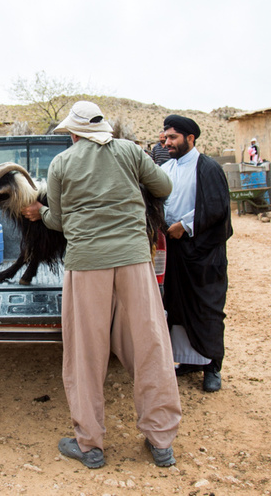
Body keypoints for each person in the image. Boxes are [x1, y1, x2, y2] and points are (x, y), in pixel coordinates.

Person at [22, 101, 181, 469]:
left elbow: (58, 221)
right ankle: (161, 441)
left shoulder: (62, 163)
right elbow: (164, 186)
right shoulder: (130, 151)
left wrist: (39, 212)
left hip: (86, 265)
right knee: (149, 346)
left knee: (86, 353)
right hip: (134, 261)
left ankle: (90, 445)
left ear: (75, 133)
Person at [161, 115, 232, 393]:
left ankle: (212, 366)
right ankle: (189, 361)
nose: (168, 142)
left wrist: (184, 226)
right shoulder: (166, 167)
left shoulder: (208, 167)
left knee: (206, 307)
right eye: (166, 137)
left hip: (203, 251)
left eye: (173, 137)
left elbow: (216, 207)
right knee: (177, 304)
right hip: (174, 250)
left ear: (190, 138)